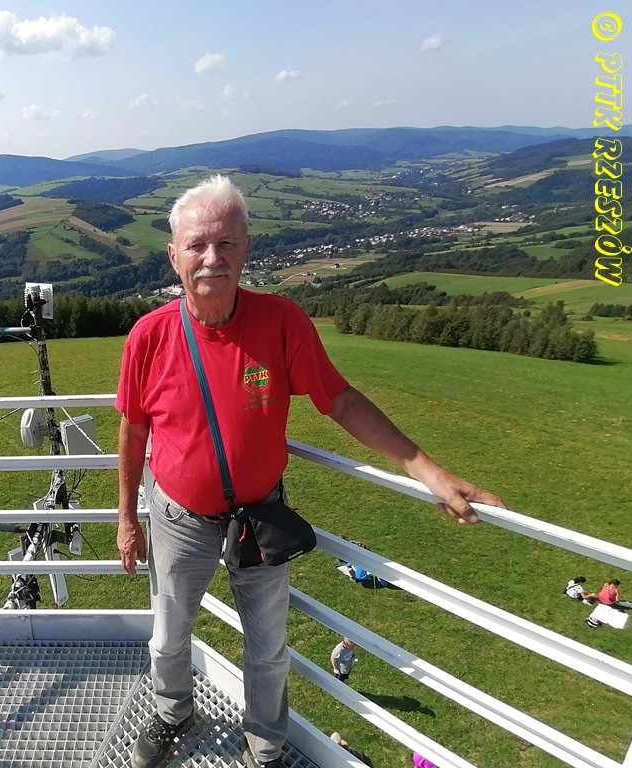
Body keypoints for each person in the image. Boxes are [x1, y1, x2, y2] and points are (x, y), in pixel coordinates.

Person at [115, 175, 505, 768]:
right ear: (174, 256)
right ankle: (172, 713)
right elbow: (133, 430)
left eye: (226, 243)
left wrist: (427, 469)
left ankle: (265, 747)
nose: (212, 258)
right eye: (197, 245)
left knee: (268, 649)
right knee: (169, 635)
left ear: (247, 249)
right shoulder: (149, 336)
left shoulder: (281, 322)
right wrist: (126, 517)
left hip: (260, 520)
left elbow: (341, 401)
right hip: (178, 518)